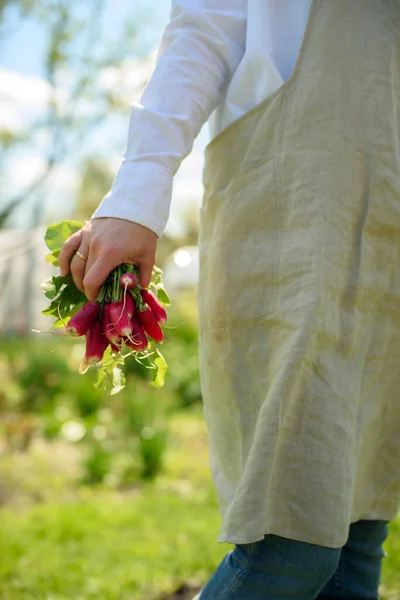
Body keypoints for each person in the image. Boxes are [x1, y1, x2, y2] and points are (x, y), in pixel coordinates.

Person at [58, 1, 400, 598]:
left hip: (388, 242)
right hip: (298, 201)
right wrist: (136, 195)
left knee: (361, 536)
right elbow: (203, 25)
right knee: (293, 548)